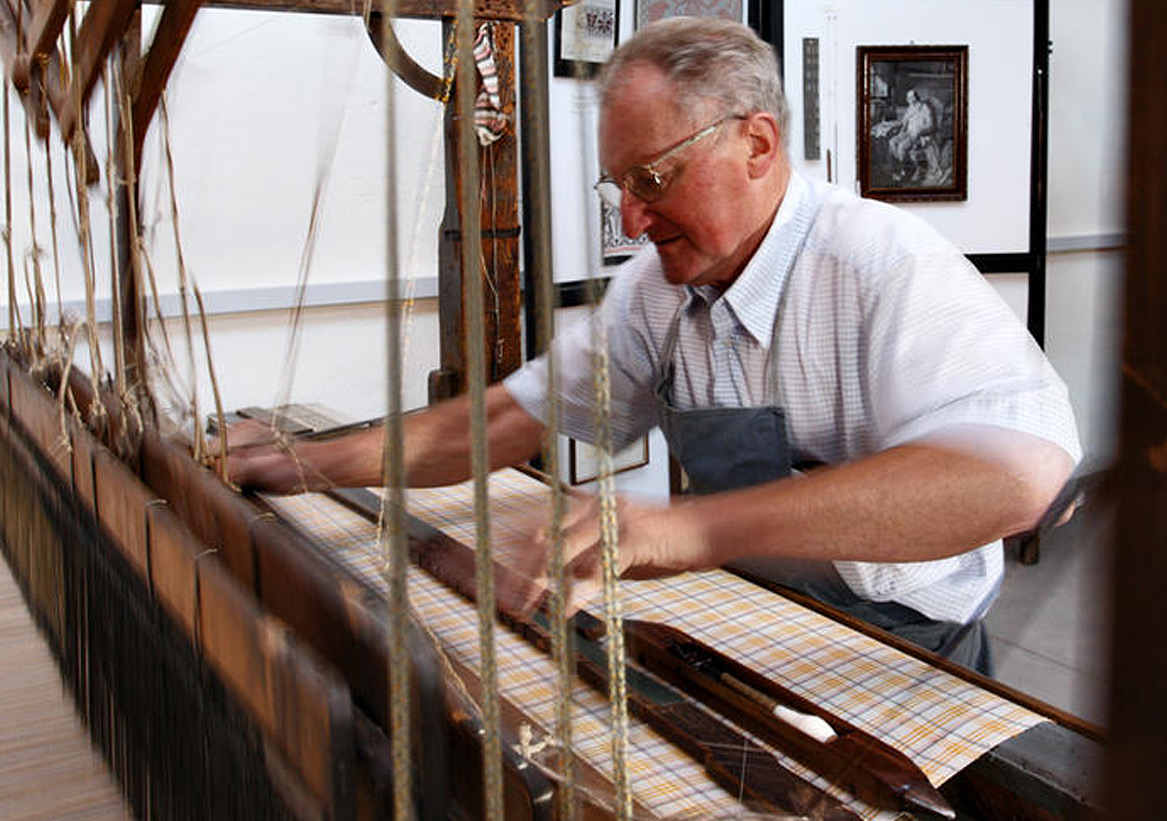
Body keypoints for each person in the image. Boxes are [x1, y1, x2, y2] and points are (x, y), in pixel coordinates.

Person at [226, 17, 1080, 675]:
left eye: (653, 179)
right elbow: (503, 421)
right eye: (620, 186)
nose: (631, 221)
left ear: (756, 144)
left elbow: (1017, 479)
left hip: (905, 649)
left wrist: (687, 529)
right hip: (754, 616)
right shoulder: (656, 292)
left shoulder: (883, 268)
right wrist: (302, 462)